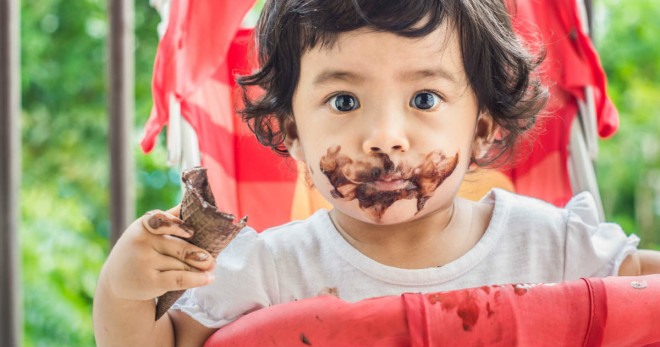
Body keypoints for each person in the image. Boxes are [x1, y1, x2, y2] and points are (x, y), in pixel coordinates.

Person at [93, 0, 660, 346]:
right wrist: (122, 291)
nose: (385, 135)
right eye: (343, 101)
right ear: (291, 132)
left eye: (424, 98)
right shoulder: (266, 271)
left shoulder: (553, 247)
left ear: (484, 126)